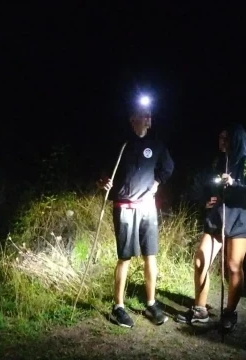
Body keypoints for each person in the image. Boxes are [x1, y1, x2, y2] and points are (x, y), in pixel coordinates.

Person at [177, 123, 246, 333]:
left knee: (234, 265)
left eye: (226, 138)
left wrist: (234, 184)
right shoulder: (218, 161)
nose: (221, 141)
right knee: (200, 260)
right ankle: (200, 310)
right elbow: (207, 185)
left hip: (241, 218)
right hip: (218, 216)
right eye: (220, 137)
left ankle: (230, 312)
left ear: (236, 140)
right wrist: (205, 199)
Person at [96, 108, 174, 328]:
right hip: (125, 207)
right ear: (132, 120)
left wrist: (157, 182)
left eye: (150, 115)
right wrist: (104, 182)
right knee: (125, 257)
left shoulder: (157, 144)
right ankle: (118, 306)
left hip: (147, 206)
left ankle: (151, 303)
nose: (148, 119)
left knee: (151, 255)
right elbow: (104, 172)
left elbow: (168, 167)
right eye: (143, 115)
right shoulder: (121, 144)